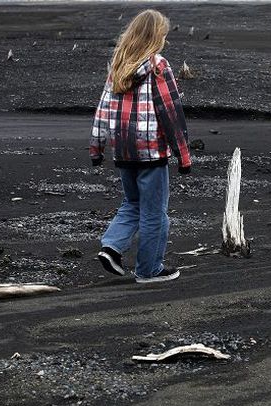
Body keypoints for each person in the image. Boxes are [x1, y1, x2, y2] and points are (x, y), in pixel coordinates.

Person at [89, 9, 191, 284]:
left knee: (133, 202)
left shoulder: (119, 64)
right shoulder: (159, 66)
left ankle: (111, 247)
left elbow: (103, 109)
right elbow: (170, 112)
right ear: (155, 36)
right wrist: (183, 156)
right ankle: (149, 270)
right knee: (155, 213)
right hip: (151, 151)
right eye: (164, 35)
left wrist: (96, 147)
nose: (165, 41)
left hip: (123, 150)